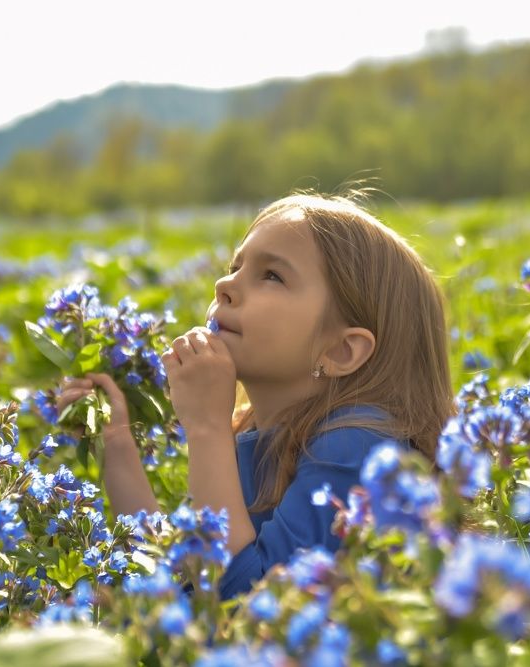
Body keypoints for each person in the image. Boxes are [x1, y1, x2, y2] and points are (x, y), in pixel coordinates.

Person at [56, 190, 454, 600]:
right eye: (236, 266)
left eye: (271, 275)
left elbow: (246, 603)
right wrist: (117, 439)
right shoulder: (257, 440)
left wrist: (208, 428)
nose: (224, 285)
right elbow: (179, 576)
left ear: (340, 350)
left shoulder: (360, 447)